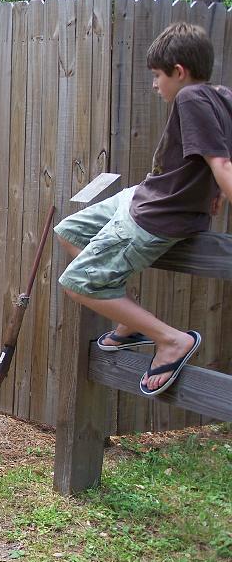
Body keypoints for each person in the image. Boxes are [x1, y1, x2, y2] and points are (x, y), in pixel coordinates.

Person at [55, 22, 232, 396]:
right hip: (145, 194)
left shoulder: (191, 97)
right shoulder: (221, 95)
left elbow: (222, 163)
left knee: (76, 282)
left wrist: (218, 183)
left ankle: (169, 340)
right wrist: (212, 189)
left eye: (157, 75)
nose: (154, 84)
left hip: (157, 215)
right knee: (69, 231)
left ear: (179, 72)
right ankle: (129, 322)